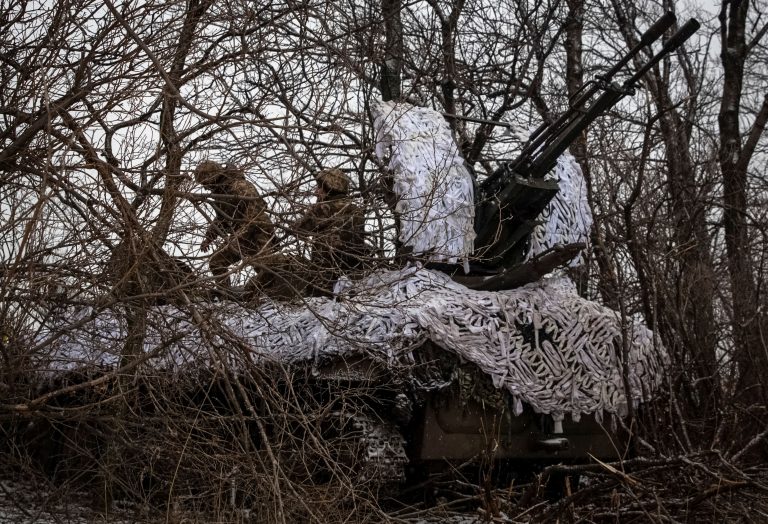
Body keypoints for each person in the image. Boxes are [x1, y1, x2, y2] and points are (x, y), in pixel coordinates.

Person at [195, 160, 275, 288]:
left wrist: (239, 237)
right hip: (241, 235)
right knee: (216, 262)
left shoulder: (240, 186)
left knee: (266, 270)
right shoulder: (220, 192)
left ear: (213, 177)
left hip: (259, 233)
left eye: (205, 182)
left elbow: (255, 215)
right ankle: (225, 296)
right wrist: (209, 237)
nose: (205, 187)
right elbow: (221, 218)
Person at [292, 168, 367, 295]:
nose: (316, 192)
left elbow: (298, 230)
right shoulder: (356, 210)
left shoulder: (323, 208)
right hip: (353, 274)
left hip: (325, 278)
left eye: (320, 188)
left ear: (330, 187)